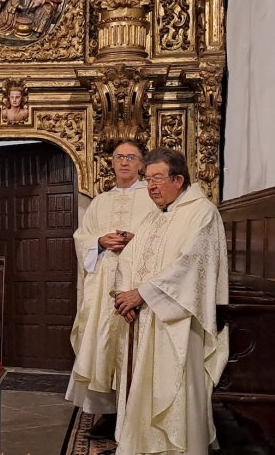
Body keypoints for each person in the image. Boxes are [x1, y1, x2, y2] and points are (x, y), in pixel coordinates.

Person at [113, 147, 229, 454]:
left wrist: (142, 294)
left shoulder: (202, 213)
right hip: (142, 317)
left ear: (178, 180)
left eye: (157, 179)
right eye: (147, 178)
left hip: (177, 322)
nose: (150, 186)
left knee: (175, 390)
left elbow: (189, 266)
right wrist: (122, 295)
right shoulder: (156, 216)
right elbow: (130, 257)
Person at [66, 141, 155, 440]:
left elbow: (162, 236)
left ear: (141, 163)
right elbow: (82, 237)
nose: (125, 162)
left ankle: (138, 412)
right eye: (119, 157)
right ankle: (108, 412)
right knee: (104, 345)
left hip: (137, 285)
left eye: (131, 157)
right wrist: (99, 242)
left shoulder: (152, 197)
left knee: (136, 348)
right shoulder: (99, 202)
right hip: (104, 284)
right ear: (112, 162)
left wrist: (135, 239)